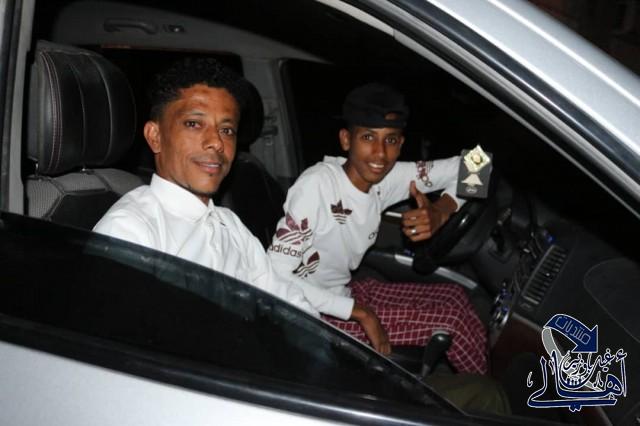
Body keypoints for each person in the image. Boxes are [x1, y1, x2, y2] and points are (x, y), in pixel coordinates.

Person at [267, 83, 488, 374]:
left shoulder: (386, 178)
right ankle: (481, 397)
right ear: (346, 139)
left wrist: (441, 211)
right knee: (454, 323)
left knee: (455, 297)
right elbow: (274, 275)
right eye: (368, 137)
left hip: (345, 292)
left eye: (391, 140)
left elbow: (479, 163)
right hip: (310, 314)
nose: (380, 154)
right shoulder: (317, 185)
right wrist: (360, 313)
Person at [93, 57, 316, 316]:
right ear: (155, 137)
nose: (217, 142)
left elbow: (285, 300)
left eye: (227, 130)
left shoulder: (229, 224)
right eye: (194, 124)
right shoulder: (130, 231)